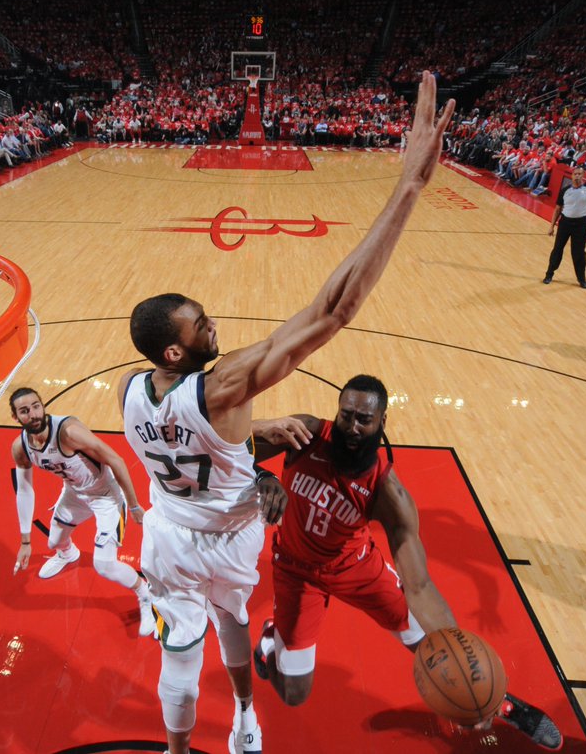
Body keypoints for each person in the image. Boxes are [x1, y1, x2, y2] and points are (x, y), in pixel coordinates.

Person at [118, 72, 454, 754]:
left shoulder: (127, 388)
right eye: (202, 324)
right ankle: (245, 715)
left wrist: (253, 440)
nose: (214, 325)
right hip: (227, 537)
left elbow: (190, 444)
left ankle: (182, 748)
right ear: (178, 349)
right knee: (233, 620)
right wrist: (408, 187)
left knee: (179, 655)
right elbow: (334, 310)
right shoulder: (222, 387)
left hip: (167, 534)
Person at [249, 375, 562, 749]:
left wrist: (463, 664)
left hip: (355, 570)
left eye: (364, 419)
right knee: (293, 694)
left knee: (431, 646)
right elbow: (223, 443)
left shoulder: (388, 493)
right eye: (346, 415)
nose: (352, 427)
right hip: (296, 570)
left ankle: (499, 703)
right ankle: (271, 638)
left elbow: (420, 585)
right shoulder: (308, 435)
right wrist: (261, 465)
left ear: (382, 421)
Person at [8, 388, 154, 637]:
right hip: (74, 494)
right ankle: (68, 554)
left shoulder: (68, 432)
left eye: (36, 406)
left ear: (43, 405)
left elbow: (116, 460)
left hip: (106, 496)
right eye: (24, 411)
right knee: (54, 541)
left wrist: (133, 505)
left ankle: (145, 593)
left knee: (104, 565)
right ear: (15, 417)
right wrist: (25, 541)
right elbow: (24, 490)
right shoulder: (21, 447)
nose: (33, 414)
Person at [544, 166, 586, 289]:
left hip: (581, 224)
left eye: (580, 174)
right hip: (565, 223)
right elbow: (557, 209)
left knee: (579, 253)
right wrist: (551, 226)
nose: (577, 176)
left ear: (583, 175)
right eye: (575, 174)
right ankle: (549, 274)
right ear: (572, 175)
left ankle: (581, 279)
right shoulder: (565, 190)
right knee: (557, 249)